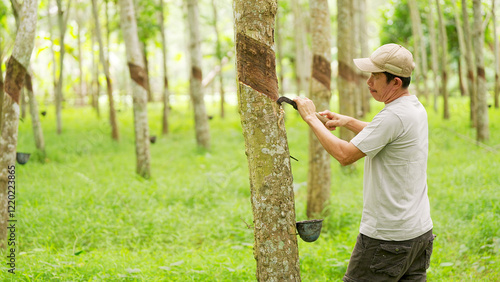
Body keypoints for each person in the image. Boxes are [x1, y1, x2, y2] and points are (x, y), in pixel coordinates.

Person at [293, 43, 435, 281]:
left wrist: (310, 118)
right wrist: (348, 121)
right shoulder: (413, 107)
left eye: (375, 77)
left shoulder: (393, 115)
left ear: (396, 82)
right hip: (419, 234)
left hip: (387, 240)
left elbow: (345, 155)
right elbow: (389, 135)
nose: (368, 82)